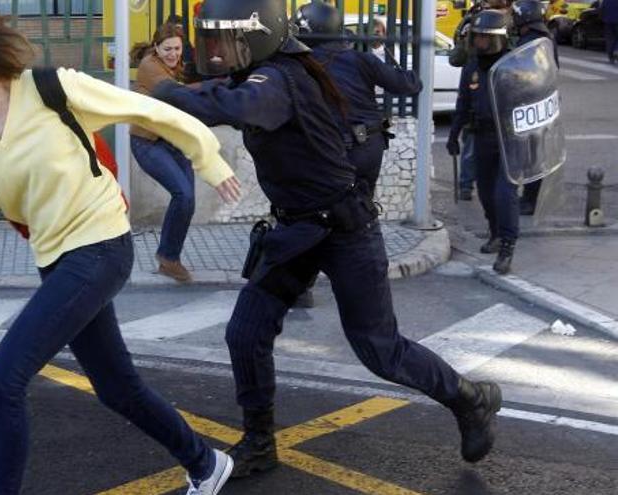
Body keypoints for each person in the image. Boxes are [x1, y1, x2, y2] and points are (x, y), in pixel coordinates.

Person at [0, 4, 241, 494]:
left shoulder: (52, 88)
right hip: (54, 257)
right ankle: (205, 463)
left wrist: (211, 162)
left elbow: (150, 109)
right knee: (117, 388)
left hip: (100, 244)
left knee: (2, 380)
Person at [153, 0, 503, 479]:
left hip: (344, 229)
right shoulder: (264, 70)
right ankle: (259, 442)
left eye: (226, 41)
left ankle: (470, 399)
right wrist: (165, 92)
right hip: (296, 229)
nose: (217, 53)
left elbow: (230, 104)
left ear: (257, 36)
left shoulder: (278, 79)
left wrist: (162, 87)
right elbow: (218, 88)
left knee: (379, 348)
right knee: (246, 333)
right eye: (211, 41)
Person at [292, 1, 421, 196]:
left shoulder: (299, 65)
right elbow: (407, 85)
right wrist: (409, 73)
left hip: (328, 149)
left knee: (330, 212)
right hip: (367, 148)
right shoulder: (360, 59)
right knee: (362, 212)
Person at [447, 9, 518, 274]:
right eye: (476, 38)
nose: (478, 43)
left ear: (497, 39)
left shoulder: (514, 65)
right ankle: (496, 232)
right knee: (486, 192)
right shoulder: (472, 67)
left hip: (509, 138)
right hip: (482, 136)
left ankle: (508, 245)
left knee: (505, 194)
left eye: (483, 38)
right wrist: (453, 135)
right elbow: (463, 103)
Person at [129, 21, 199, 282]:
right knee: (182, 193)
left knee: (188, 199)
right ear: (156, 47)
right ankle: (167, 257)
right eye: (168, 48)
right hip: (147, 143)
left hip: (172, 142)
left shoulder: (175, 67)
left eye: (177, 49)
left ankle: (169, 259)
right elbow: (177, 95)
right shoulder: (150, 67)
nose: (173, 54)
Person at [511, 0, 559, 215]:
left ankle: (527, 199)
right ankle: (529, 197)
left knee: (527, 155)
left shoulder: (529, 42)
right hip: (540, 105)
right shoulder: (547, 38)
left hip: (527, 106)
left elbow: (521, 73)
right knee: (534, 154)